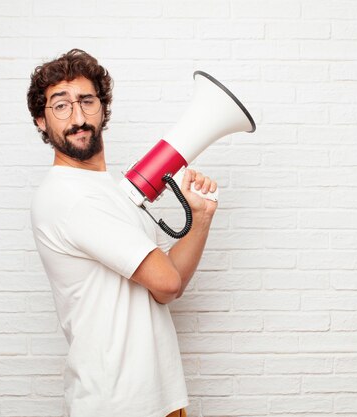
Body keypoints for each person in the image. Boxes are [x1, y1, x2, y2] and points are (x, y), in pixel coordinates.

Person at [27, 49, 217, 417]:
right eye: (61, 106)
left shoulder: (110, 191)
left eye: (87, 101)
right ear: (40, 120)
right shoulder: (69, 196)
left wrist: (201, 216)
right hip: (116, 404)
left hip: (159, 397)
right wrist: (166, 277)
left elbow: (166, 289)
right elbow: (165, 281)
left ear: (103, 108)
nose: (78, 117)